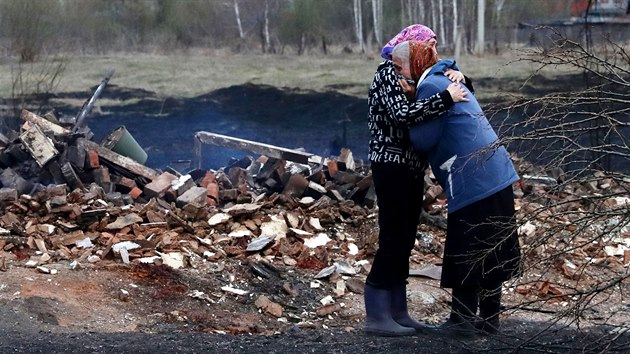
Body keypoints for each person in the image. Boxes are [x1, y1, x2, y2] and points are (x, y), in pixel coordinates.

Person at [394, 40, 522, 338]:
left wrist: (413, 104)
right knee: (492, 248)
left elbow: (423, 140)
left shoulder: (429, 87)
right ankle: (489, 320)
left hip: (472, 178)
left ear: (415, 63)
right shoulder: (445, 76)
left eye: (400, 67)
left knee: (468, 248)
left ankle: (461, 321)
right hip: (496, 173)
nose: (398, 74)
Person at [365, 27, 469, 337]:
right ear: (413, 45)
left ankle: (398, 311)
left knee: (406, 238)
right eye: (429, 43)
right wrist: (445, 99)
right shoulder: (388, 72)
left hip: (410, 167)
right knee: (394, 237)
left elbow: (451, 82)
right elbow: (401, 115)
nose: (435, 47)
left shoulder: (416, 74)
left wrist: (459, 77)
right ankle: (377, 313)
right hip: (391, 163)